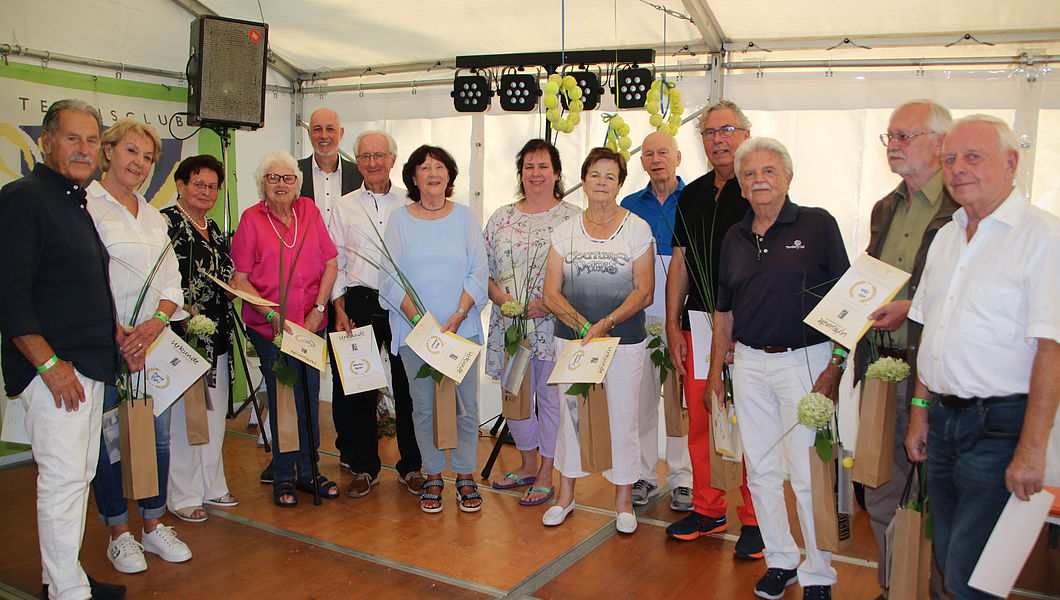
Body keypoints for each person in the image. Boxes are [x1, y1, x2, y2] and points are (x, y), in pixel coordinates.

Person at [905, 115, 1059, 600]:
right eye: (950, 159)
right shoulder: (947, 235)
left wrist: (1032, 449)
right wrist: (920, 414)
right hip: (944, 423)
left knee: (972, 576)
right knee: (950, 558)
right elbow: (932, 333)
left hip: (1001, 427)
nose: (958, 169)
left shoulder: (1042, 236)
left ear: (1010, 163)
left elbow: (1052, 351)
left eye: (973, 157)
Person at [705, 137, 850, 600]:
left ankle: (819, 572)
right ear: (741, 186)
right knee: (762, 470)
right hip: (749, 364)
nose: (759, 180)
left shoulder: (819, 224)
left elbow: (847, 302)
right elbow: (724, 312)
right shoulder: (734, 237)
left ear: (788, 176)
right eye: (749, 174)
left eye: (769, 171)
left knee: (807, 474)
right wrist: (715, 372)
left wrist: (836, 366)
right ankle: (781, 560)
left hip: (806, 363)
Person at [0, 99, 127, 600]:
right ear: (46, 140)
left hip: (87, 364)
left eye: (92, 140)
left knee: (78, 475)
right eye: (72, 138)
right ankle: (66, 591)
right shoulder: (24, 199)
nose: (83, 149)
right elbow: (9, 295)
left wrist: (112, 329)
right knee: (63, 481)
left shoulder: (74, 200)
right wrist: (49, 365)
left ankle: (63, 577)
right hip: (57, 372)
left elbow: (72, 285)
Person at [853, 99, 956, 600]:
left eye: (904, 136)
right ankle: (894, 588)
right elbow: (872, 277)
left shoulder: (962, 208)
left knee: (935, 498)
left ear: (940, 143)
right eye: (889, 136)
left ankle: (934, 592)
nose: (893, 145)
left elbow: (964, 292)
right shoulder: (885, 207)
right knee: (881, 490)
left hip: (933, 375)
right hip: (881, 366)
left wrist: (911, 306)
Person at [87, 119, 191, 575]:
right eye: (131, 151)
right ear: (108, 151)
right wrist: (118, 333)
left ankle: (153, 524)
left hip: (151, 345)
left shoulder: (152, 216)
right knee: (110, 442)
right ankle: (118, 533)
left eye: (148, 157)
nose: (140, 163)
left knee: (157, 438)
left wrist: (154, 325)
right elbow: (84, 279)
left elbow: (172, 282)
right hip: (106, 344)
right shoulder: (87, 206)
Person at [541, 147, 655, 534]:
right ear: (583, 181)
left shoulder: (637, 229)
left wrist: (606, 323)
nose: (602, 182)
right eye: (595, 175)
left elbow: (644, 291)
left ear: (620, 184)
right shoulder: (565, 231)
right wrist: (583, 326)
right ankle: (565, 495)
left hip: (624, 342)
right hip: (575, 342)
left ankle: (623, 501)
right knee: (571, 416)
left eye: (610, 176)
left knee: (623, 418)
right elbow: (551, 292)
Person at [665, 100, 762, 558]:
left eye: (727, 130)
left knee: (748, 423)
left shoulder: (758, 189)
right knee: (703, 417)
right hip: (698, 322)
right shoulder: (693, 195)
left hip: (749, 328)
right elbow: (679, 262)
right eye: (709, 132)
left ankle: (756, 518)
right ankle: (708, 508)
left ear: (745, 134)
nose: (718, 139)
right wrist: (672, 324)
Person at [380, 145, 488, 514]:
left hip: (460, 331)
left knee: (465, 406)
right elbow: (389, 277)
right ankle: (433, 474)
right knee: (424, 407)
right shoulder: (398, 220)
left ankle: (465, 474)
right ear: (413, 177)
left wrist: (458, 315)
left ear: (449, 175)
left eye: (439, 166)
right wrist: (419, 322)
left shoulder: (466, 217)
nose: (432, 173)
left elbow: (479, 272)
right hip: (417, 334)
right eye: (424, 167)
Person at [231, 151, 340, 508]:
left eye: (288, 178)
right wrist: (271, 315)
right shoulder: (251, 219)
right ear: (262, 184)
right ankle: (282, 475)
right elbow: (240, 279)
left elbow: (330, 263)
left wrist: (319, 310)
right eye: (273, 177)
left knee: (308, 397)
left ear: (298, 183)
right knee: (283, 401)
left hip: (310, 325)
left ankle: (309, 471)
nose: (281, 184)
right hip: (272, 330)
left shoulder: (308, 210)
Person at [329, 130, 426, 499]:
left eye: (379, 155)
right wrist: (339, 307)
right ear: (358, 162)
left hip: (403, 305)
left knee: (408, 387)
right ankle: (364, 467)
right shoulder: (344, 206)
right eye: (365, 156)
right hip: (359, 301)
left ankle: (411, 467)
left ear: (393, 160)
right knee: (360, 390)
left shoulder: (410, 203)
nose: (372, 163)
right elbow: (336, 261)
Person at [484, 139, 580, 506]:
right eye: (529, 167)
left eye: (543, 166)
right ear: (520, 173)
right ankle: (526, 464)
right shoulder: (501, 218)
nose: (535, 173)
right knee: (515, 397)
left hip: (554, 326)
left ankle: (545, 472)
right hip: (511, 328)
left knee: (551, 400)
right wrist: (502, 301)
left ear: (556, 173)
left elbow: (580, 276)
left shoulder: (573, 218)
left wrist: (550, 304)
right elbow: (483, 271)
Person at [619, 131, 694, 511]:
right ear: (642, 162)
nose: (656, 159)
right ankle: (644, 474)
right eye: (648, 154)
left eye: (663, 152)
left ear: (678, 157)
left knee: (681, 401)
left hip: (684, 317)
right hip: (641, 316)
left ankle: (684, 479)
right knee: (641, 399)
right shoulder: (630, 205)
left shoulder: (695, 199)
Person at [161, 155, 238, 523]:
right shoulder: (167, 224)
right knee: (184, 420)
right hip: (183, 338)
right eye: (198, 184)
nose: (206, 192)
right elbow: (161, 281)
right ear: (181, 185)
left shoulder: (214, 228)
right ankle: (183, 495)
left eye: (212, 186)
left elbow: (226, 275)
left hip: (217, 335)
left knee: (213, 416)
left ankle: (211, 484)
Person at [297, 107, 363, 227]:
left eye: (330, 129)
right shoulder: (293, 174)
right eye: (317, 129)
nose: (324, 135)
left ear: (341, 133)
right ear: (309, 134)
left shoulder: (360, 175)